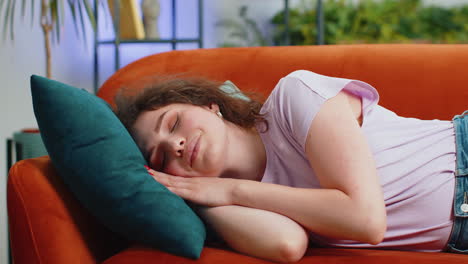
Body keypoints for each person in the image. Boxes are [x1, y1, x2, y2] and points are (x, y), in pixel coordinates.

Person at [114, 70, 468, 263]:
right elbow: (286, 244)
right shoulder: (227, 204)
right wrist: (200, 198)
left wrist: (231, 189)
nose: (174, 145)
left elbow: (366, 221)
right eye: (161, 158)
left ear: (210, 106)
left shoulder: (294, 96)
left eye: (174, 122)